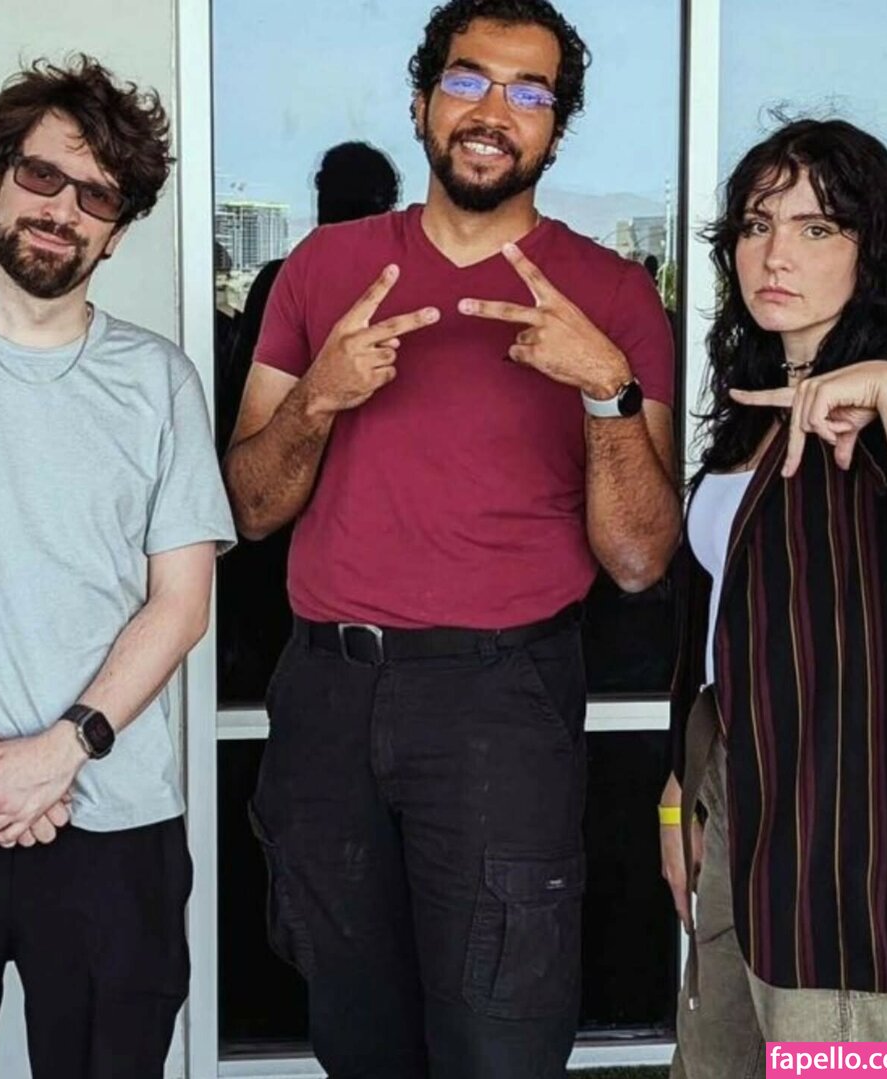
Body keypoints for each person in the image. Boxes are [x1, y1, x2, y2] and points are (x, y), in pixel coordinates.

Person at [223, 0, 679, 1074]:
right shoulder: (323, 267)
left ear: (556, 128)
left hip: (501, 700)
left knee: (500, 1035)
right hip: (329, 695)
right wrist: (320, 396)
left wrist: (605, 388)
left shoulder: (613, 295)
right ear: (423, 101)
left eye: (529, 93)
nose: (493, 111)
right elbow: (247, 507)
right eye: (469, 80)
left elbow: (639, 558)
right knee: (356, 1034)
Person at [0, 56, 235, 1079]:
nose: (62, 208)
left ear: (118, 230)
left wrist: (63, 750)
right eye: (41, 175)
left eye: (97, 195)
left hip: (112, 818)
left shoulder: (160, 380)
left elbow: (181, 603)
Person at [659, 118, 887, 1077]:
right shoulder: (751, 413)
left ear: (872, 249)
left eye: (817, 228)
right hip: (740, 805)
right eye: (756, 223)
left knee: (833, 1060)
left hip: (853, 859)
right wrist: (682, 793)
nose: (776, 254)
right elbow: (720, 619)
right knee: (716, 1062)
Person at [217, 141, 401, 702]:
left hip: (316, 525)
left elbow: (235, 389)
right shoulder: (296, 277)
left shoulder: (292, 276)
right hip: (303, 511)